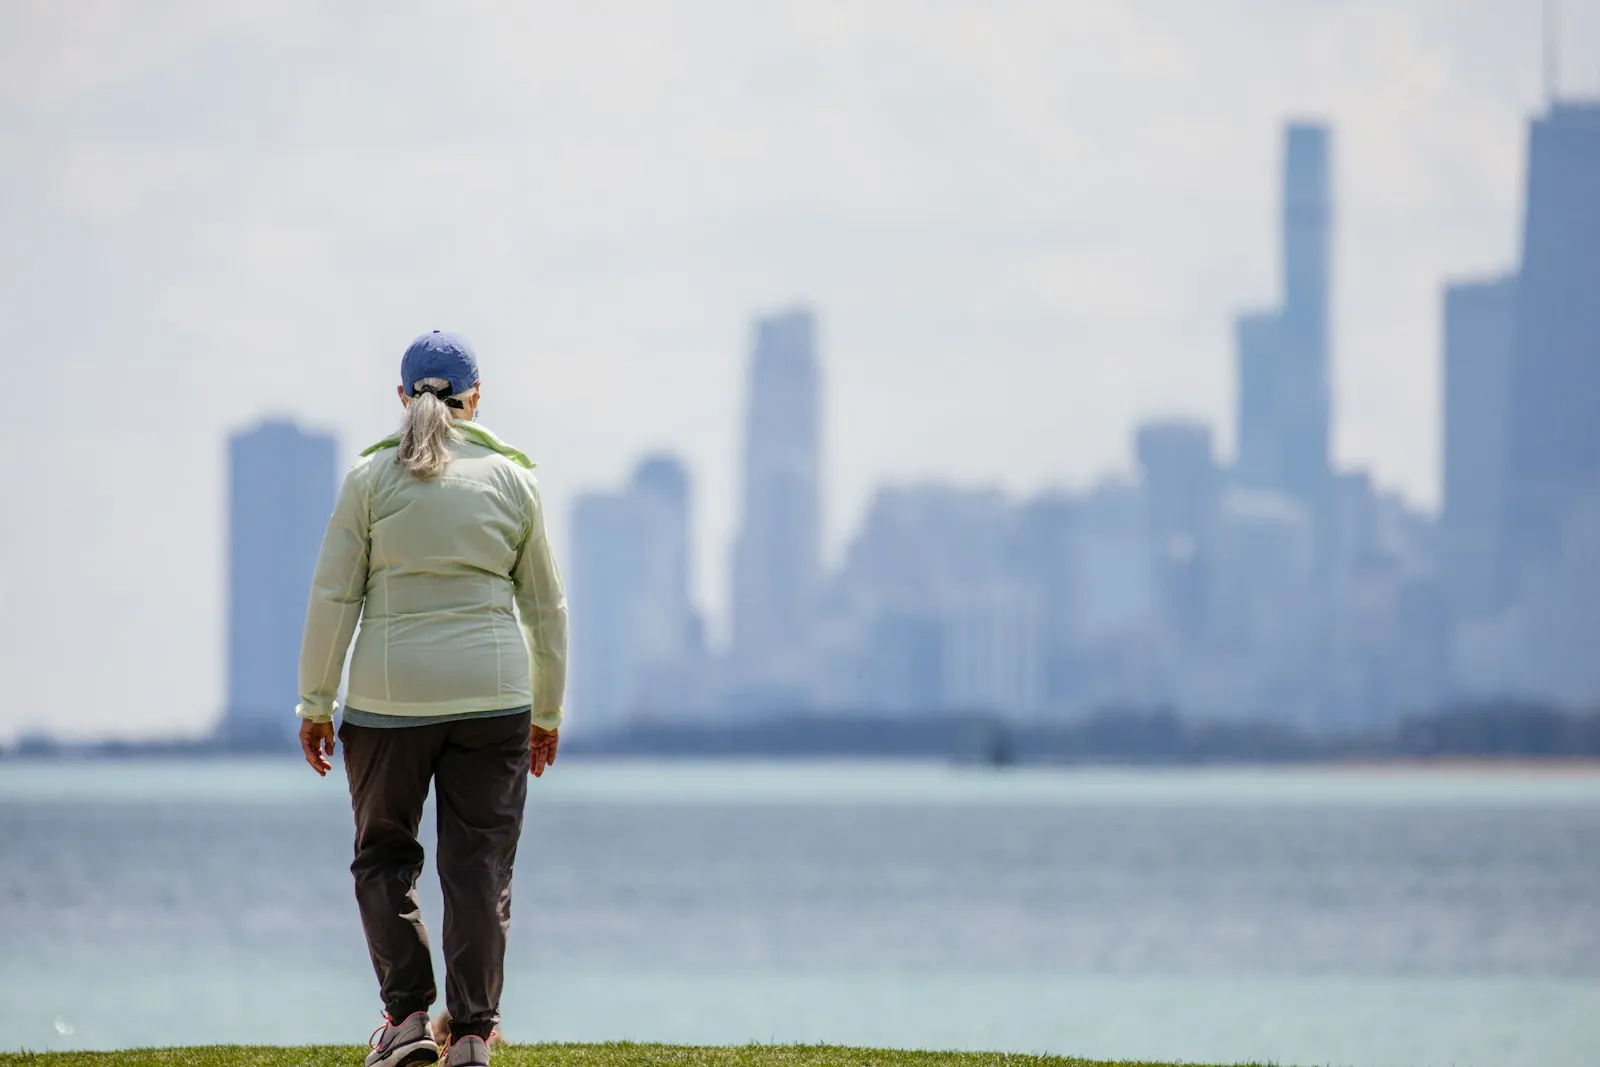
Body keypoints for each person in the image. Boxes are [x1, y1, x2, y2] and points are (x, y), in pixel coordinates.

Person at [295, 330, 568, 1067]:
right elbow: (546, 609)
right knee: (479, 864)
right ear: (477, 399)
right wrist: (547, 711)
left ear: (401, 396)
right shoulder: (514, 481)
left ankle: (408, 1018)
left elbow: (333, 596)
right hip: (496, 698)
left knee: (384, 855)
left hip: (388, 702)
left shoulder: (369, 480)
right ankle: (474, 1033)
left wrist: (315, 703)